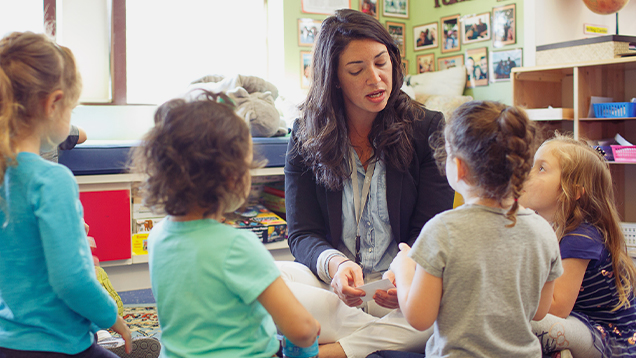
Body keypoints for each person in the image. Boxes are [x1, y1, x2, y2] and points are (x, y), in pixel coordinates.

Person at [282, 8, 454, 358]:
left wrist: (403, 278)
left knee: (452, 305)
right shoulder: (305, 134)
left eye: (381, 62)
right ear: (334, 79)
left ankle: (334, 350)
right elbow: (301, 233)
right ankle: (372, 337)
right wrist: (336, 265)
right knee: (268, 277)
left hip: (404, 292)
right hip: (335, 291)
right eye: (357, 70)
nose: (376, 79)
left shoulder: (428, 127)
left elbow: (432, 230)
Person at [129, 91, 320, 357]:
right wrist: (311, 329)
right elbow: (300, 328)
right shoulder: (238, 247)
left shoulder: (157, 237)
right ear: (232, 178)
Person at [388, 101, 563, 357]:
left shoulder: (442, 230)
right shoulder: (543, 230)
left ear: (458, 167)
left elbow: (419, 318)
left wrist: (404, 267)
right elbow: (539, 310)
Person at [0, 31, 132, 356]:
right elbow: (72, 281)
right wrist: (111, 317)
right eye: (72, 108)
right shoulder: (51, 179)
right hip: (57, 342)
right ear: (53, 103)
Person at [520, 135, 636, 358]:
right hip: (578, 320)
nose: (528, 174)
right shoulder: (547, 226)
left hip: (607, 337)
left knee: (515, 321)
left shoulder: (580, 237)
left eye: (541, 168)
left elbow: (556, 308)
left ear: (571, 191)